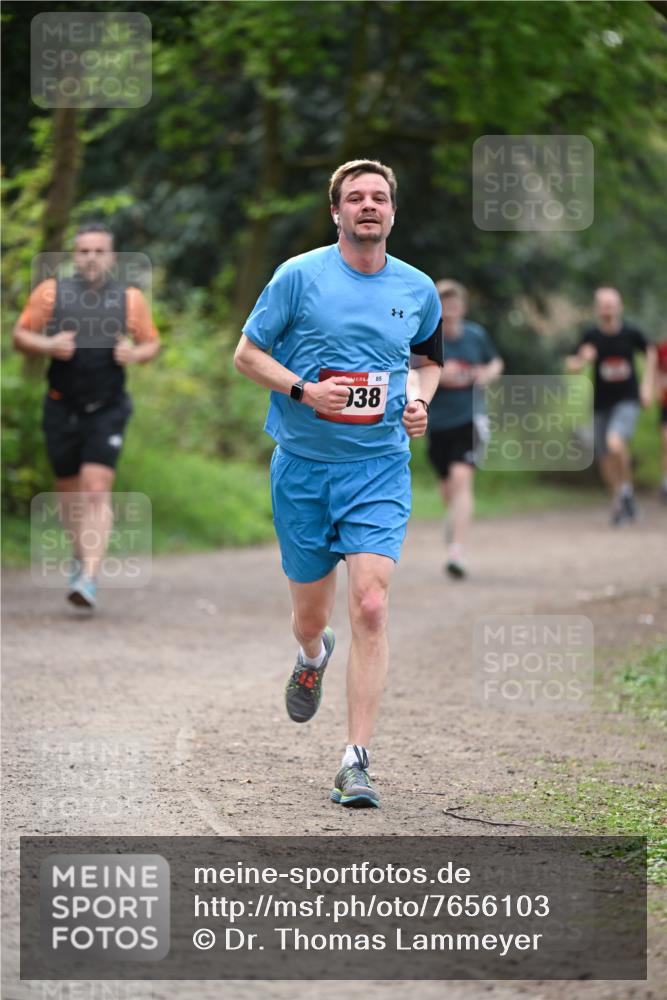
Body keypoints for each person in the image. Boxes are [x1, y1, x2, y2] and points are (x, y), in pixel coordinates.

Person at [234, 159, 443, 808]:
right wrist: (302, 389)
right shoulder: (298, 277)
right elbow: (246, 354)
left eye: (378, 197)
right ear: (336, 212)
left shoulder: (417, 288)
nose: (368, 206)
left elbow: (428, 361)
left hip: (377, 468)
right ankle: (311, 654)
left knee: (373, 605)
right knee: (311, 616)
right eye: (355, 198)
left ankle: (355, 760)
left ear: (392, 211)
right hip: (302, 468)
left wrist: (418, 400)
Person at [13, 222, 160, 608]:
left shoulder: (128, 299)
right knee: (68, 493)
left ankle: (89, 577)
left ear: (110, 257)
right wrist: (47, 344)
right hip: (61, 404)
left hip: (107, 407)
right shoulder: (51, 293)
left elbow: (151, 343)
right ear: (74, 256)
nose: (91, 258)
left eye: (99, 251)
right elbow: (20, 336)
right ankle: (82, 557)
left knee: (96, 489)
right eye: (84, 251)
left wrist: (134, 353)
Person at [426, 280, 503, 579]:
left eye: (455, 303)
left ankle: (456, 550)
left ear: (463, 307)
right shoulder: (429, 338)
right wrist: (437, 376)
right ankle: (454, 521)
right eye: (444, 303)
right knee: (448, 487)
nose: (451, 308)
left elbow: (495, 361)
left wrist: (487, 373)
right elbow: (413, 370)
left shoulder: (475, 335)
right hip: (438, 422)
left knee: (462, 478)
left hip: (470, 419)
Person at [566, 287, 654, 525]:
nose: (608, 309)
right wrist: (582, 359)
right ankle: (619, 499)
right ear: (597, 308)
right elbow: (571, 366)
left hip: (628, 399)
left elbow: (650, 352)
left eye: (611, 304)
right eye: (603, 304)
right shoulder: (591, 336)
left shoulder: (631, 333)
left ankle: (625, 491)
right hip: (601, 402)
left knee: (615, 442)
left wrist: (647, 385)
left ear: (620, 306)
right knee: (604, 457)